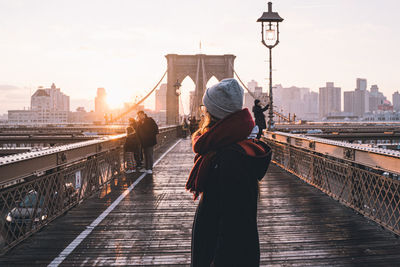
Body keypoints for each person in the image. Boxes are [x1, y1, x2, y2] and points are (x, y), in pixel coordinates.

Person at [186, 78, 272, 266]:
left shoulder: (230, 158)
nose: (203, 113)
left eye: (205, 109)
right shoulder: (226, 149)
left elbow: (235, 226)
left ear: (213, 114)